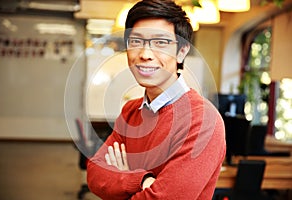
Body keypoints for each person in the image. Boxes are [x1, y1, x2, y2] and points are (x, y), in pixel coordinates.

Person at [86, 0, 226, 199]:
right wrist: (141, 181)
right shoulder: (131, 111)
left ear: (182, 51)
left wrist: (121, 180)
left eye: (160, 43)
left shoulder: (202, 120)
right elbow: (94, 173)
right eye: (136, 42)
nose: (145, 54)